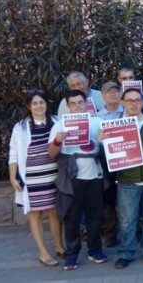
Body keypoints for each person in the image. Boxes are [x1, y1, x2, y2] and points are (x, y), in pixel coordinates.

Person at [101, 89, 143, 269]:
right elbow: (110, 158)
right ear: (122, 103)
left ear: (142, 103)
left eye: (137, 100)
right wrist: (103, 142)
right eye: (129, 100)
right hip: (127, 181)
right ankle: (126, 252)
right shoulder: (115, 126)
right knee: (127, 219)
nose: (133, 103)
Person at [48, 90, 106, 270]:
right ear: (67, 105)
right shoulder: (59, 125)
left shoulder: (97, 122)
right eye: (73, 103)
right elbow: (51, 154)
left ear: (86, 102)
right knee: (72, 218)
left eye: (80, 102)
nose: (77, 106)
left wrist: (105, 141)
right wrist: (57, 141)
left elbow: (113, 148)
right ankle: (72, 254)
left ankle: (95, 249)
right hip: (72, 177)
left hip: (95, 175)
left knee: (95, 216)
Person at [9, 90, 65, 267]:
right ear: (28, 106)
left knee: (55, 212)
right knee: (35, 214)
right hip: (31, 179)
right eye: (34, 103)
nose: (39, 106)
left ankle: (59, 246)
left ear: (46, 104)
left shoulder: (57, 122)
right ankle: (43, 252)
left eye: (41, 102)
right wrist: (13, 177)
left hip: (53, 177)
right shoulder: (20, 127)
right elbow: (13, 154)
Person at [97, 81, 124, 248]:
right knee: (109, 200)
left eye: (115, 91)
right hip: (107, 163)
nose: (112, 94)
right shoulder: (96, 118)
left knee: (131, 198)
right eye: (108, 92)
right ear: (102, 96)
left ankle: (137, 231)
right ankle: (111, 234)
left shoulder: (128, 112)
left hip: (127, 161)